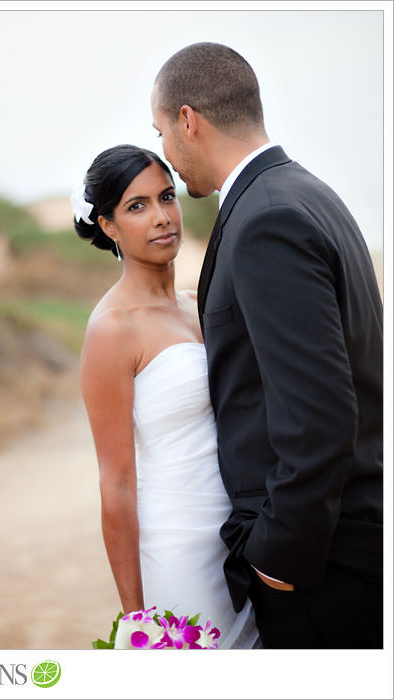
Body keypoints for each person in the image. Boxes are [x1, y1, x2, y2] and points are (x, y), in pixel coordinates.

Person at [150, 42, 382, 648]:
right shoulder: (309, 194)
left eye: (162, 133)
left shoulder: (266, 219)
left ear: (188, 120)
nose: (168, 159)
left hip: (320, 564)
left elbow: (320, 413)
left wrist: (278, 559)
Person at [75, 144, 258, 649]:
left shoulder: (202, 304)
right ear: (108, 225)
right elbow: (115, 483)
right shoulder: (112, 329)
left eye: (166, 197)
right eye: (137, 207)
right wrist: (136, 618)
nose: (161, 217)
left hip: (245, 539)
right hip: (178, 550)